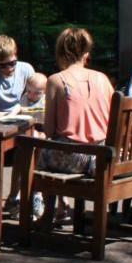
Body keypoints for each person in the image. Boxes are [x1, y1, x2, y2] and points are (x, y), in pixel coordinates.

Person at [39, 28, 114, 177]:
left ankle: (36, 198)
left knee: (34, 150)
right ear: (86, 54)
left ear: (60, 54)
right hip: (102, 157)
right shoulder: (103, 78)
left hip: (72, 158)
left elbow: (49, 130)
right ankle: (63, 201)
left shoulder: (56, 80)